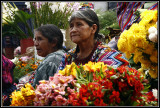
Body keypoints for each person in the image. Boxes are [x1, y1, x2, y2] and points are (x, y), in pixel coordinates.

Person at [58, 9, 130, 71]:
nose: (73, 30)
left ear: (93, 28)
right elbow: (57, 82)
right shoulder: (68, 57)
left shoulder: (108, 55)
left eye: (79, 24)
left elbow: (124, 76)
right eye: (71, 26)